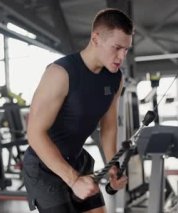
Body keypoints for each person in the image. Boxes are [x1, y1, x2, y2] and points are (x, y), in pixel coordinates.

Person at [23, 8, 133, 213]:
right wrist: (73, 180)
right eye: (117, 47)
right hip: (44, 165)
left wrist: (113, 167)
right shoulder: (60, 73)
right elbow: (34, 133)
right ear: (96, 38)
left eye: (126, 50)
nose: (122, 56)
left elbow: (108, 127)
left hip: (76, 158)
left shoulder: (115, 78)